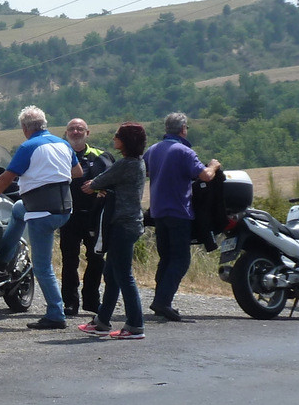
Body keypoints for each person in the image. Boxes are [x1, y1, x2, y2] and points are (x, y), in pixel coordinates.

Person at [0, 105, 80, 330]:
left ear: (25, 128)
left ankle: (55, 313)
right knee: (17, 209)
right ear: (44, 124)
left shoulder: (28, 146)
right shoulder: (63, 144)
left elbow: (4, 179)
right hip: (64, 209)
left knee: (43, 267)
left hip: (41, 213)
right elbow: (77, 172)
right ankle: (3, 259)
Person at [142, 112, 221, 322]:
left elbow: (145, 171)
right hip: (179, 211)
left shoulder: (153, 150)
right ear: (183, 129)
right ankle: (163, 301)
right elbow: (205, 175)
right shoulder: (185, 151)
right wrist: (214, 165)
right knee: (181, 259)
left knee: (166, 258)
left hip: (158, 211)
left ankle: (161, 300)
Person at [78, 122, 148, 339]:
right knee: (112, 273)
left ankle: (135, 325)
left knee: (123, 275)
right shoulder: (137, 163)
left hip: (122, 225)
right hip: (130, 223)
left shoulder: (126, 164)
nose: (114, 138)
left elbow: (95, 182)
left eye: (118, 135)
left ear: (126, 141)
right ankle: (102, 321)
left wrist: (97, 186)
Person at [60, 118, 112, 316]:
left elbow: (113, 179)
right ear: (66, 133)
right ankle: (70, 303)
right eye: (72, 129)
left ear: (87, 133)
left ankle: (91, 301)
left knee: (96, 259)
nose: (75, 132)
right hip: (68, 216)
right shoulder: (60, 154)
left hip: (95, 217)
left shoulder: (101, 156)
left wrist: (98, 186)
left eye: (79, 129)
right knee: (69, 261)